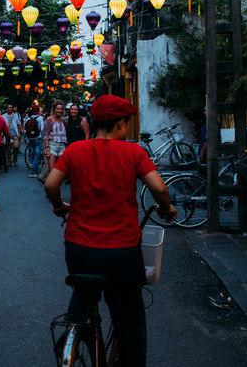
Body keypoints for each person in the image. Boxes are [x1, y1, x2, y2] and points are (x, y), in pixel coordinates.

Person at [44, 94, 177, 367]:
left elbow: (51, 184)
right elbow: (160, 189)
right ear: (121, 124)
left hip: (79, 246)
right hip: (121, 249)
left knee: (83, 291)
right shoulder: (133, 152)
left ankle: (71, 331)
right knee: (129, 319)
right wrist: (166, 208)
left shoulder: (75, 150)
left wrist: (59, 206)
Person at [42, 101, 67, 181]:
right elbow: (45, 135)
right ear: (54, 109)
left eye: (61, 109)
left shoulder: (63, 120)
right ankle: (49, 186)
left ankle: (55, 187)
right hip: (52, 145)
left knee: (59, 171)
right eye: (58, 109)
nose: (59, 111)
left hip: (62, 146)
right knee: (51, 170)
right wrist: (47, 149)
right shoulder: (49, 119)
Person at [23, 105, 44, 178]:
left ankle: (36, 170)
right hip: (38, 138)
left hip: (30, 139)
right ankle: (32, 171)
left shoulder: (29, 118)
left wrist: (27, 140)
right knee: (37, 155)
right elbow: (42, 129)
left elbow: (26, 130)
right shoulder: (40, 118)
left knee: (33, 154)